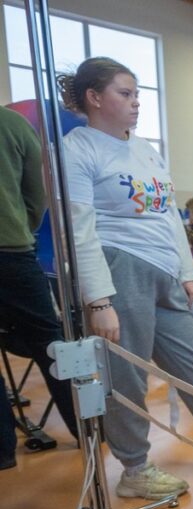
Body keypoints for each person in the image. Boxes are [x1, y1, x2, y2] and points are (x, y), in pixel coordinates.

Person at [59, 57, 193, 498]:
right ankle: (135, 470)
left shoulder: (145, 149)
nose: (136, 103)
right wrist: (99, 300)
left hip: (165, 271)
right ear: (94, 98)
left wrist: (185, 269)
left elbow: (169, 216)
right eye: (125, 94)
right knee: (127, 374)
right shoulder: (79, 148)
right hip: (120, 266)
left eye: (137, 94)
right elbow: (78, 227)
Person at [0, 106, 80, 470]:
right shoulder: (13, 124)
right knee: (52, 345)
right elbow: (38, 191)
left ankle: (2, 452)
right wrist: (20, 227)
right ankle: (86, 430)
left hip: (14, 248)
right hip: (12, 250)